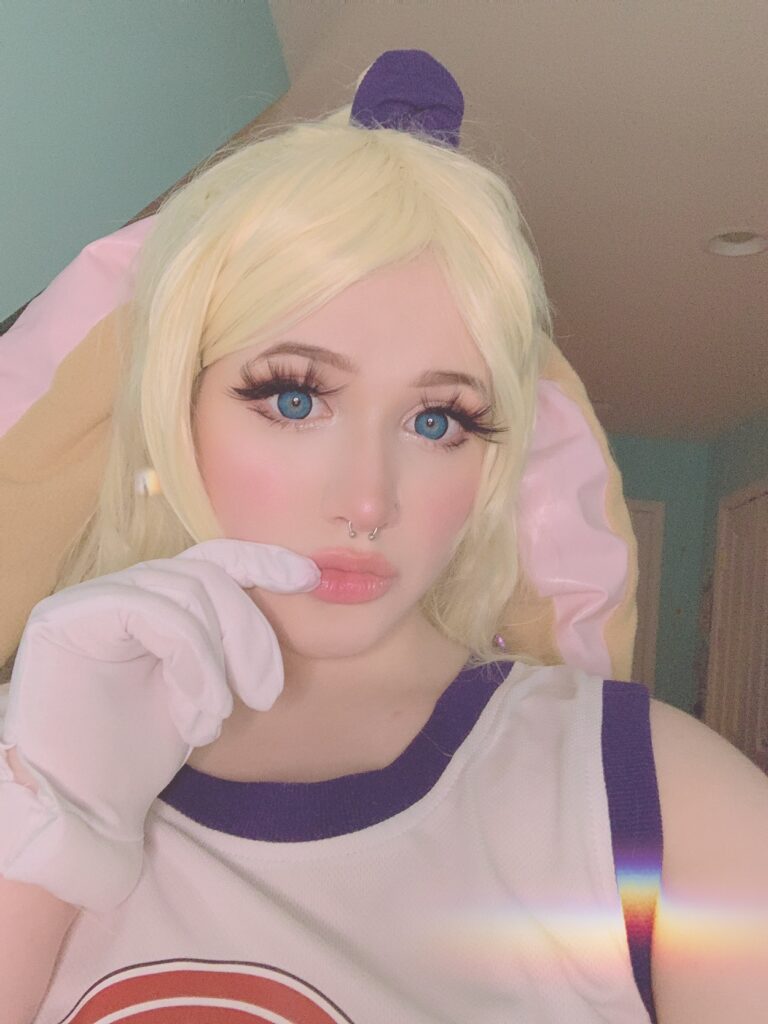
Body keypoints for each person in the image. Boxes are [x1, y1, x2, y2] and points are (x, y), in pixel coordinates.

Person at [1, 50, 766, 1024]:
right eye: (293, 398)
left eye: (438, 420)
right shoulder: (32, 757)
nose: (367, 501)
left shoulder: (660, 803)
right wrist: (47, 826)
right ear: (175, 408)